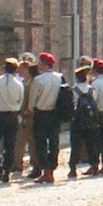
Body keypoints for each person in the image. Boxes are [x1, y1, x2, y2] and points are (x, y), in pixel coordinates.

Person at [0, 56, 25, 183]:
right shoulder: (19, 84)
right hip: (12, 116)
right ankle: (7, 170)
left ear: (4, 68)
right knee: (10, 145)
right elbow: (20, 101)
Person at [28, 52, 63, 184]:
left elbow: (32, 101)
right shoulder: (60, 78)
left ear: (43, 64)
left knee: (41, 143)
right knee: (54, 142)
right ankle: (52, 169)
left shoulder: (38, 80)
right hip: (55, 113)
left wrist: (32, 109)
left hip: (41, 113)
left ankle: (45, 170)